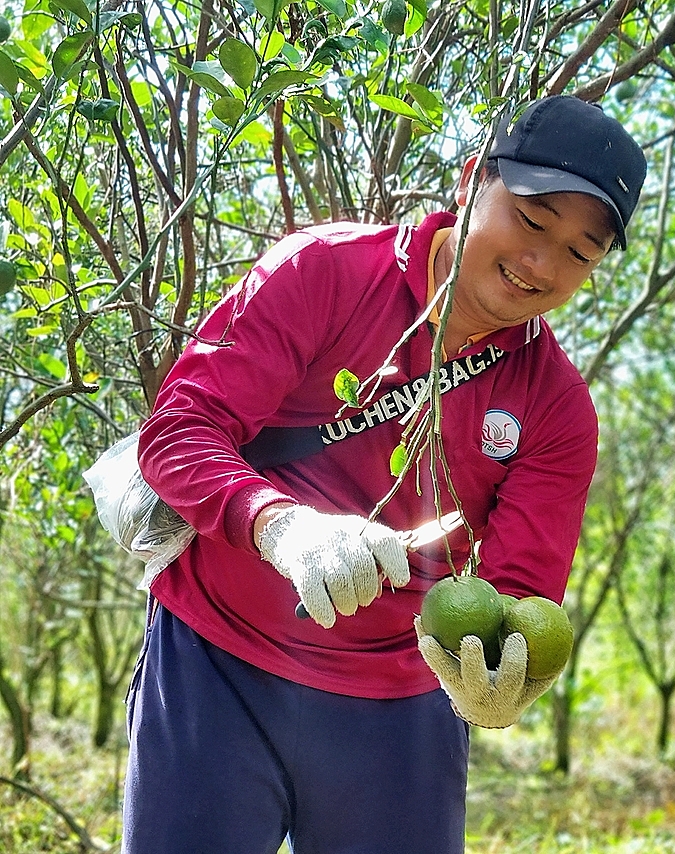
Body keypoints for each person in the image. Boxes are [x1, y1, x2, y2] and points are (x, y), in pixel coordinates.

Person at [122, 94, 647, 854]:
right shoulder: (325, 272)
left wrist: (501, 684)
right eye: (533, 222)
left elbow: (519, 593)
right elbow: (179, 431)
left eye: (580, 251)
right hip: (216, 665)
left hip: (399, 706)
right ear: (472, 182)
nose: (542, 264)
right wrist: (284, 528)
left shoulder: (556, 409)